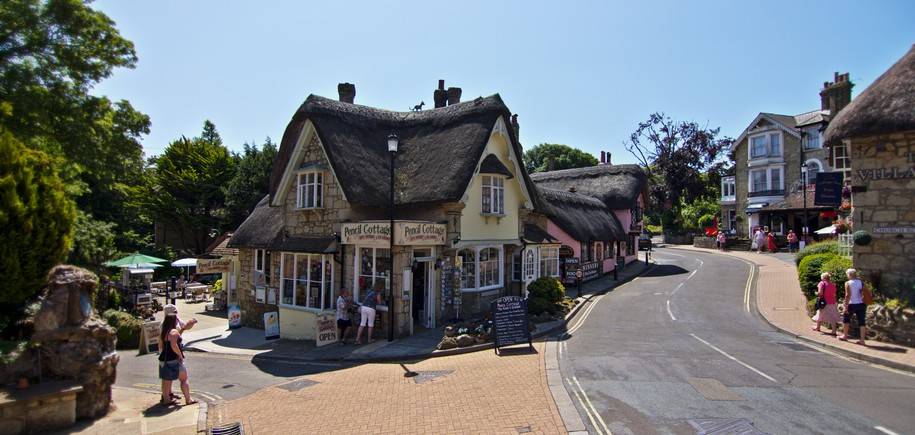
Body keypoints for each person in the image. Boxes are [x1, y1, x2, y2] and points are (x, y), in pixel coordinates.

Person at [158, 313, 198, 406]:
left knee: (166, 381)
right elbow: (174, 345)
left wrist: (183, 328)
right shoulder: (174, 331)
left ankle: (166, 399)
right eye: (176, 319)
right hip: (174, 359)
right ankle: (188, 399)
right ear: (173, 321)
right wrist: (180, 355)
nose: (177, 320)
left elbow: (160, 345)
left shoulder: (164, 332)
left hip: (164, 359)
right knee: (184, 379)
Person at [838, 268, 867, 346]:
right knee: (862, 321)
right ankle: (862, 340)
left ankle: (845, 335)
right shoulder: (860, 282)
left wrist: (846, 306)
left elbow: (847, 295)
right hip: (861, 303)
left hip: (852, 303)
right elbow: (864, 292)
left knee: (846, 319)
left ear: (849, 275)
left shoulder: (848, 283)